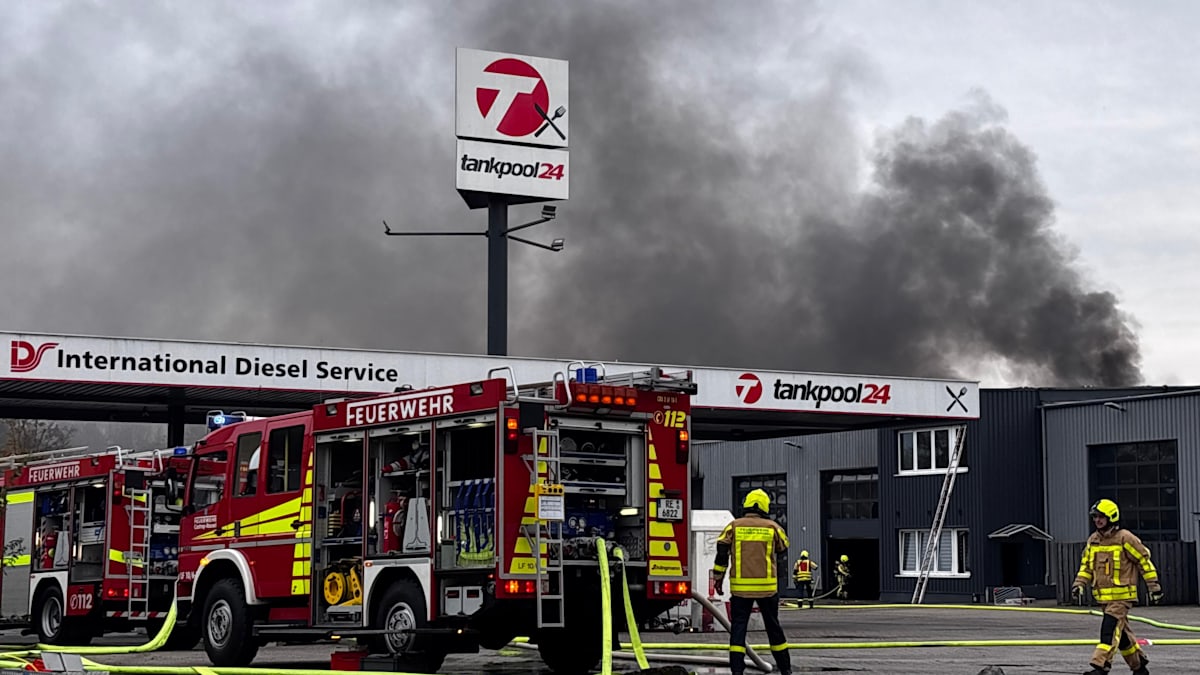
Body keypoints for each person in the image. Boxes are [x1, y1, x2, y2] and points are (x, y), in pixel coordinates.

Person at [1072, 499, 1162, 675]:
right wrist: (1079, 584)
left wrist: (1154, 587)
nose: (1097, 520)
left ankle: (1101, 666)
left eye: (1101, 517)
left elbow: (1144, 562)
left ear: (1111, 518)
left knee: (1109, 629)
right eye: (1095, 517)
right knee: (1123, 637)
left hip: (1122, 598)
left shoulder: (1125, 538)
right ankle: (1139, 666)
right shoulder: (1094, 540)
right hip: (1104, 599)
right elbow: (1086, 567)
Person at [712, 489, 791, 675]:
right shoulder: (774, 528)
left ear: (747, 504)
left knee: (739, 629)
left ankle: (737, 671)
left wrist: (718, 578)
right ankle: (786, 669)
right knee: (774, 628)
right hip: (767, 590)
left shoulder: (733, 527)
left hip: (741, 590)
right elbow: (783, 548)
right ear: (764, 506)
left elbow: (721, 553)